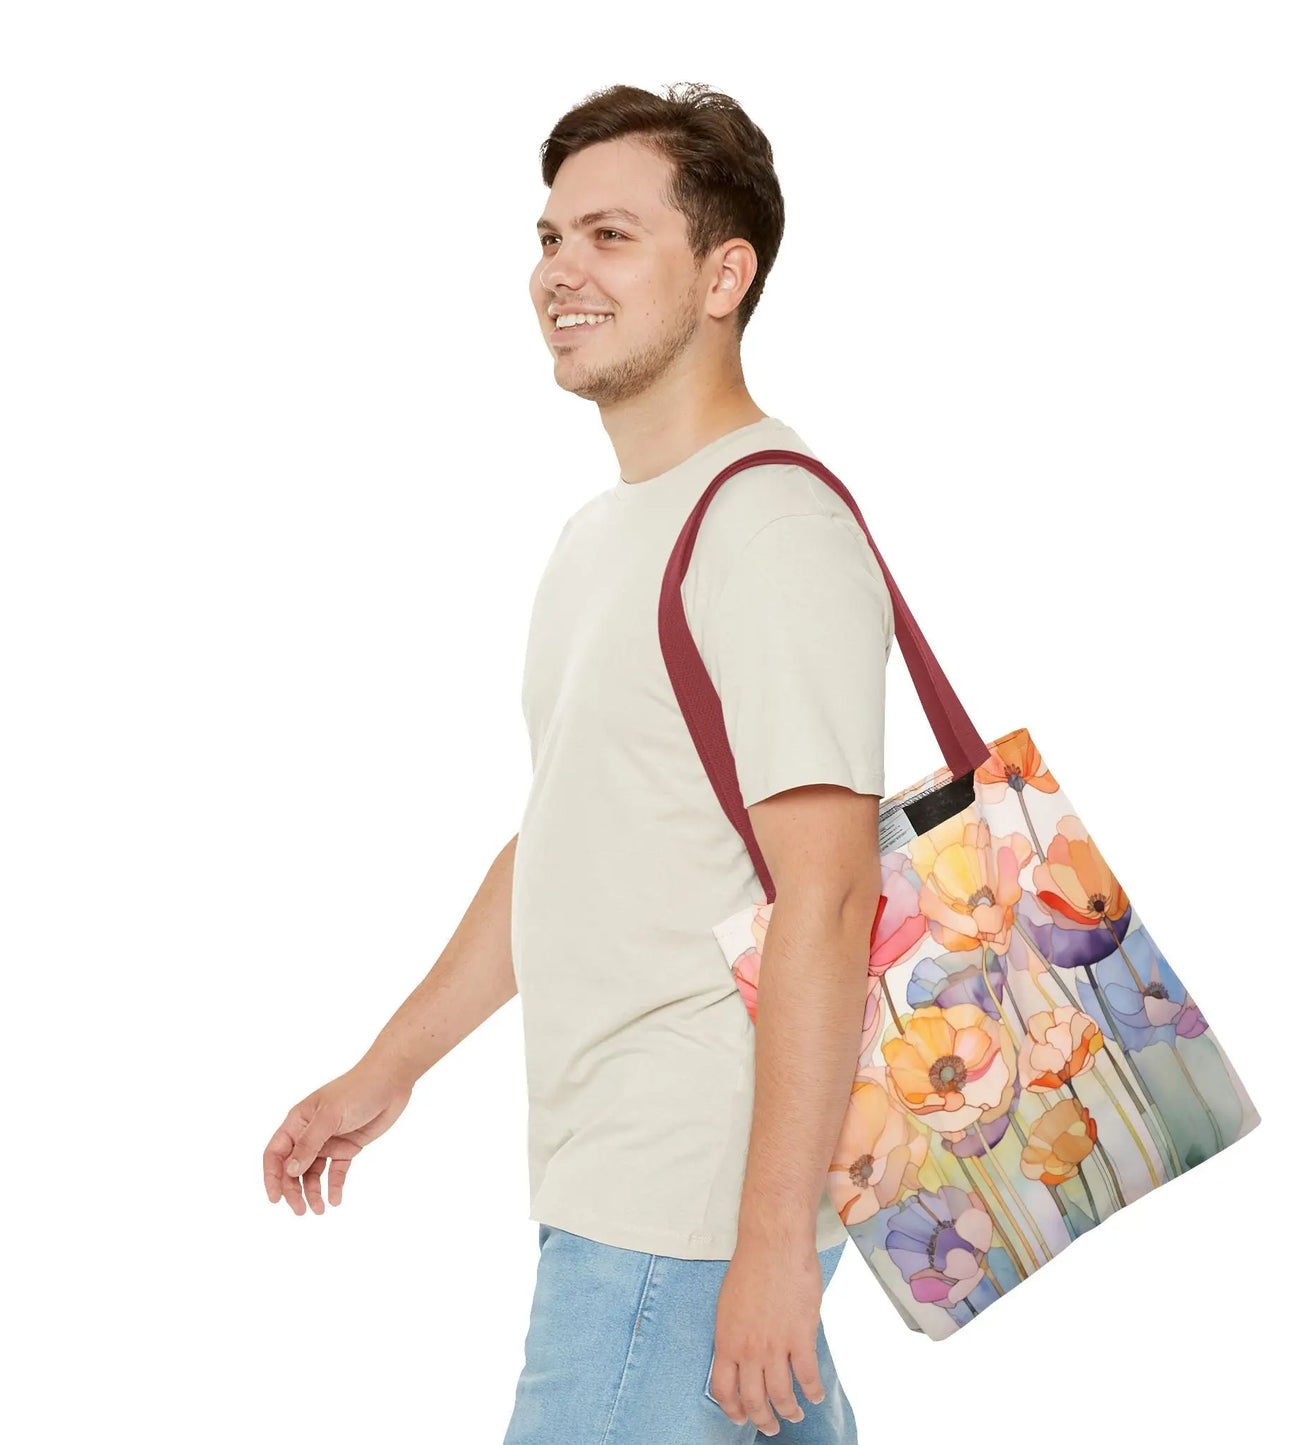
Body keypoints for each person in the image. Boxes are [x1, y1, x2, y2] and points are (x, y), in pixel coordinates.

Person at [262, 81, 895, 1443]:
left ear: (725, 273)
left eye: (609, 236)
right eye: (550, 237)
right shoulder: (602, 538)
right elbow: (565, 840)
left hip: (680, 1214)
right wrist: (387, 1069)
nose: (558, 271)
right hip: (626, 1192)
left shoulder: (767, 525)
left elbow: (830, 897)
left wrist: (771, 1249)